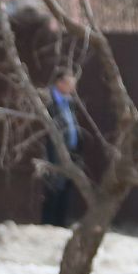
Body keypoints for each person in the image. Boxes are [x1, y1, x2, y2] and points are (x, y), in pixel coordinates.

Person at [42, 68, 80, 227]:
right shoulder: (49, 100)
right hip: (53, 149)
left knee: (65, 185)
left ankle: (60, 221)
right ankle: (49, 221)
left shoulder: (70, 102)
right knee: (53, 184)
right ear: (60, 83)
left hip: (70, 150)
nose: (72, 88)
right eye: (69, 84)